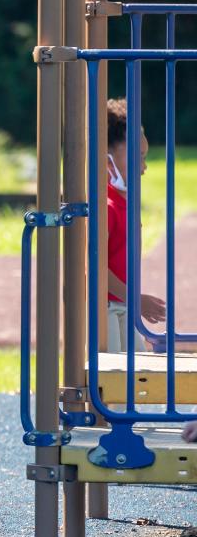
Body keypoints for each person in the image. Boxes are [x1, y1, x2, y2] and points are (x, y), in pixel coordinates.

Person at [104, 98, 166, 354]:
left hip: (122, 304)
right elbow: (93, 268)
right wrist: (135, 300)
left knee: (136, 369)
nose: (144, 167)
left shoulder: (123, 202)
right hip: (104, 307)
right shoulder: (105, 206)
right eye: (137, 157)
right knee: (111, 378)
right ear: (108, 161)